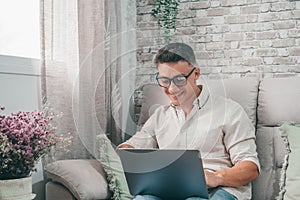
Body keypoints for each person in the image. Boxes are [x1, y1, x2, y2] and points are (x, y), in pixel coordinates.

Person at [119, 43, 260, 200]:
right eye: (164, 80)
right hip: (169, 191)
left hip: (219, 190)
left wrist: (216, 177)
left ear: (196, 73)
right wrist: (127, 153)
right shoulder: (160, 115)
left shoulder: (230, 111)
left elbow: (250, 168)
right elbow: (130, 149)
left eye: (179, 80)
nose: (171, 89)